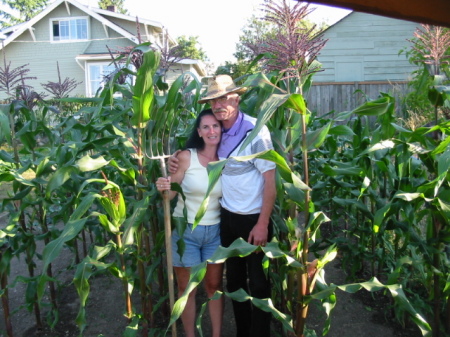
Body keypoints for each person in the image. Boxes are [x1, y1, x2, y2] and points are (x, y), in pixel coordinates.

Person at [169, 75, 277, 337]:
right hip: (226, 220)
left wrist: (263, 223)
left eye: (224, 98)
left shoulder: (255, 129)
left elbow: (270, 180)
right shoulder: (219, 132)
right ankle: (242, 332)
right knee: (236, 284)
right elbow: (198, 157)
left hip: (253, 219)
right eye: (214, 99)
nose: (218, 104)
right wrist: (176, 164)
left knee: (259, 284)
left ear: (237, 99)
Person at [156, 109, 224, 337]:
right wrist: (164, 187)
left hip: (215, 233)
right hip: (186, 234)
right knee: (187, 290)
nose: (211, 130)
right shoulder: (186, 157)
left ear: (221, 129)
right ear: (199, 132)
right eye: (206, 127)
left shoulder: (228, 159)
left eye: (215, 125)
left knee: (214, 288)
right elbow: (170, 196)